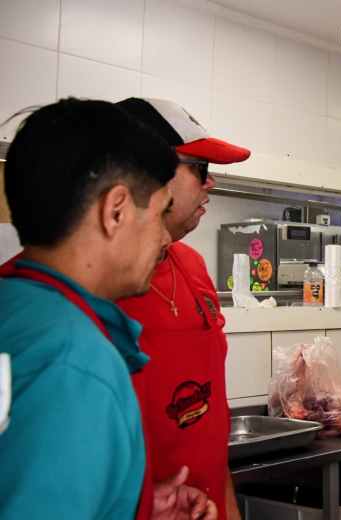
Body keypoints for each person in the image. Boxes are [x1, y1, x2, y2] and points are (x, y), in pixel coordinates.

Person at [0, 99, 214, 519]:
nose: (165, 240)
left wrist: (130, 506)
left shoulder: (18, 310)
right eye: (158, 215)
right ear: (115, 211)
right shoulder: (75, 363)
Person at [115, 97, 251, 520]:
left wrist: (228, 508)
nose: (210, 184)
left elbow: (210, 427)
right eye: (200, 169)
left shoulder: (191, 265)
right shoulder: (90, 286)